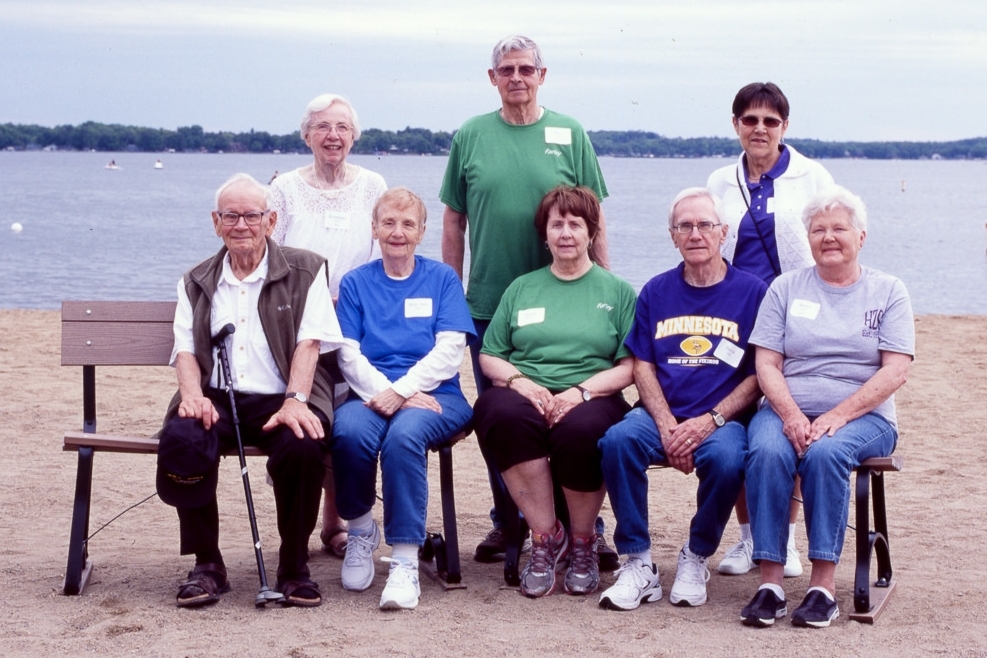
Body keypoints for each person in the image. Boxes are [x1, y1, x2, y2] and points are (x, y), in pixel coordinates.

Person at [440, 34, 616, 566]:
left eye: (526, 68)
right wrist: (451, 292)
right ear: (492, 78)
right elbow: (453, 218)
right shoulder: (470, 135)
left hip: (570, 299)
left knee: (575, 417)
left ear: (543, 75)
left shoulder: (569, 132)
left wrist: (604, 283)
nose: (517, 77)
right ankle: (510, 523)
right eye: (506, 69)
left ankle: (588, 527)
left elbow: (594, 213)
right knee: (508, 414)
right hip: (492, 303)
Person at [155, 173, 343, 608]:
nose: (242, 224)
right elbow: (184, 349)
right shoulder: (196, 279)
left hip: (284, 395)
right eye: (231, 216)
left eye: (252, 215)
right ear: (215, 222)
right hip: (217, 397)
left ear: (271, 220)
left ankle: (294, 567)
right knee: (184, 438)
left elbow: (309, 343)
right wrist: (192, 396)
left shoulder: (307, 268)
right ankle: (207, 565)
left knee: (303, 443)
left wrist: (296, 400)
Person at [740, 186, 913, 628]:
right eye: (819, 229)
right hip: (786, 408)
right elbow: (767, 363)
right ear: (808, 238)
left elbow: (894, 371)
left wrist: (837, 415)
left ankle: (822, 587)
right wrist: (792, 414)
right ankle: (771, 584)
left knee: (825, 453)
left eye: (839, 228)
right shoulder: (785, 287)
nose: (829, 237)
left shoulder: (888, 290)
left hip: (864, 417)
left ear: (861, 237)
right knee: (767, 451)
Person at [597, 188, 767, 611]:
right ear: (672, 236)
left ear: (723, 232)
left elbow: (758, 376)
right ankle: (638, 562)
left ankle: (696, 555)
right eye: (684, 226)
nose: (695, 234)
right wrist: (666, 423)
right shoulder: (656, 291)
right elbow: (642, 365)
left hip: (722, 420)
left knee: (729, 461)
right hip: (662, 413)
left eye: (705, 225)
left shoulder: (752, 293)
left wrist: (709, 421)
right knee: (618, 442)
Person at [472, 186, 635, 598]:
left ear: (591, 233)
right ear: (544, 234)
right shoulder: (522, 288)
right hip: (526, 391)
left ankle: (582, 542)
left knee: (580, 430)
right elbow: (490, 356)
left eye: (575, 224)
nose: (565, 232)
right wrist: (521, 384)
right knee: (499, 413)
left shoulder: (617, 292)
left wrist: (580, 392)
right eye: (556, 223)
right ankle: (546, 538)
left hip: (593, 394)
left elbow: (631, 366)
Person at [707, 82, 836, 578]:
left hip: (795, 311)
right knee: (739, 421)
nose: (759, 129)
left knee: (789, 413)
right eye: (750, 119)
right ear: (736, 124)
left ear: (785, 126)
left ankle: (785, 537)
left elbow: (828, 238)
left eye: (770, 121)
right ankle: (751, 536)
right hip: (735, 312)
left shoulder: (811, 175)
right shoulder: (721, 179)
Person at [329, 188, 474, 610]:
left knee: (403, 437)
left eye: (407, 224)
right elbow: (347, 353)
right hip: (369, 392)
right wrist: (386, 393)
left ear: (422, 231)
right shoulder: (356, 283)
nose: (397, 232)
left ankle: (405, 561)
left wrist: (403, 391)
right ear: (374, 229)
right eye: (388, 223)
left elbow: (450, 349)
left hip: (437, 395)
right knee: (348, 431)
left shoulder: (442, 278)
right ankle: (359, 529)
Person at [270, 93, 388, 559]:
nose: (332, 136)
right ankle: (318, 523)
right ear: (306, 136)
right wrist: (310, 297)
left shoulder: (372, 184)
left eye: (341, 127)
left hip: (357, 317)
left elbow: (385, 248)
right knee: (315, 418)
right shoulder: (283, 189)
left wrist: (354, 295)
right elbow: (269, 254)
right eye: (322, 127)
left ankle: (336, 523)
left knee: (347, 421)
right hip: (300, 326)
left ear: (354, 136)